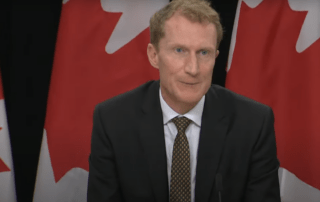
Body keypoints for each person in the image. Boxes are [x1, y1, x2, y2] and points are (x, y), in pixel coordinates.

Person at [87, 0, 281, 201]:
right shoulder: (113, 121)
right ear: (154, 55)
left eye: (203, 53)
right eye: (179, 50)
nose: (193, 69)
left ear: (215, 57)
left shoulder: (253, 123)